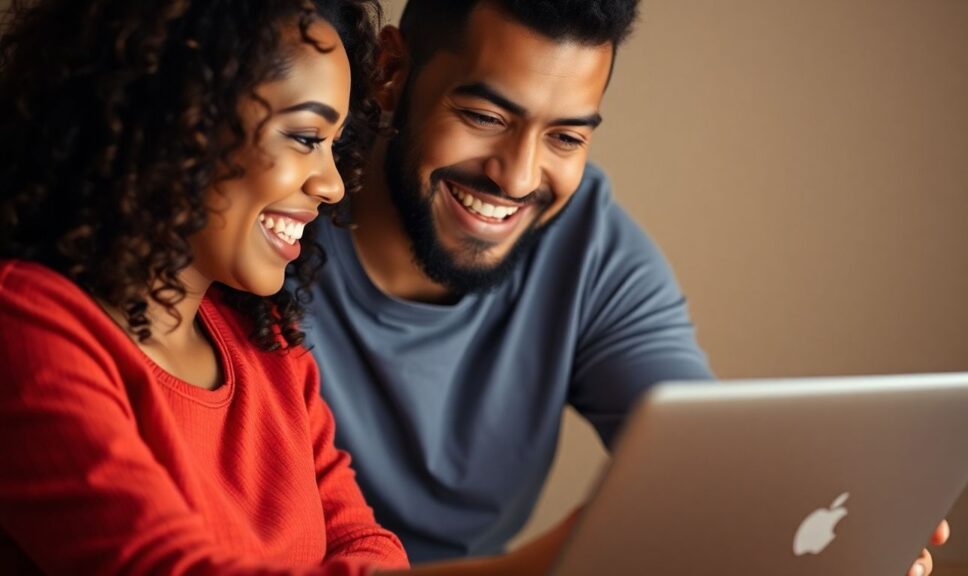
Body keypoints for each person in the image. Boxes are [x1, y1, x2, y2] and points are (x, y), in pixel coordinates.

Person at [304, 1, 949, 574]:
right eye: (484, 115)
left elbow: (702, 462)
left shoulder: (587, 244)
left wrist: (815, 523)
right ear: (390, 74)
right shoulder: (274, 231)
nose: (520, 176)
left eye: (566, 137)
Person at [0, 0, 569, 573]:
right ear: (174, 120)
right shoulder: (24, 329)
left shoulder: (270, 348)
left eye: (335, 143)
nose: (332, 185)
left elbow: (368, 543)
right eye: (303, 136)